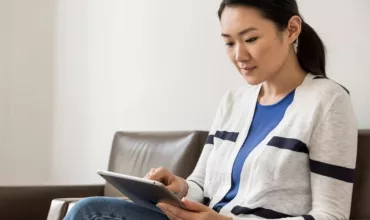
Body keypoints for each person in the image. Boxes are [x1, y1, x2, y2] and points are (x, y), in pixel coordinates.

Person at [64, 0, 357, 219]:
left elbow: (331, 215)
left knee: (92, 211)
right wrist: (178, 188)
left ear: (292, 29)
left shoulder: (327, 101)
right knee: (89, 210)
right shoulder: (233, 102)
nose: (239, 55)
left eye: (251, 39)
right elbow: (201, 185)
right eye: (229, 43)